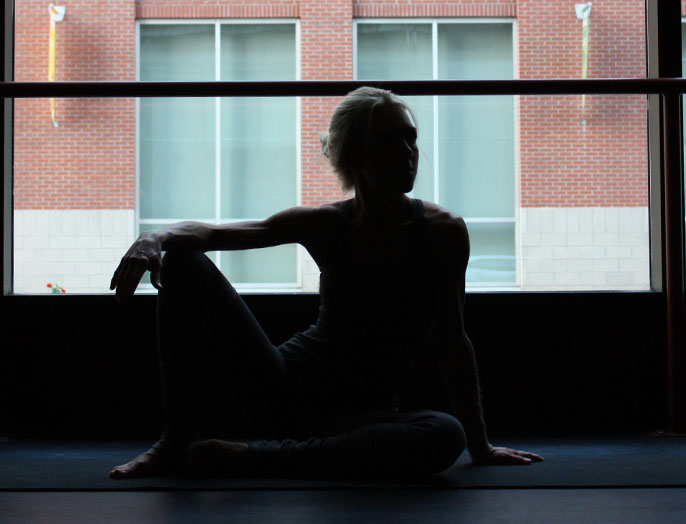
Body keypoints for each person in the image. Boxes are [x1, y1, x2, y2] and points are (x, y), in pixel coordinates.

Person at [109, 87, 543, 479]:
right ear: (355, 154)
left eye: (410, 137)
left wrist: (480, 445)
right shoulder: (326, 223)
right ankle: (175, 443)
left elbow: (453, 340)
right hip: (279, 385)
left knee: (444, 434)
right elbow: (209, 234)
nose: (408, 150)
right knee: (185, 262)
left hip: (361, 417)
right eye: (389, 139)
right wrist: (154, 238)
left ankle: (257, 456)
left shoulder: (441, 231)